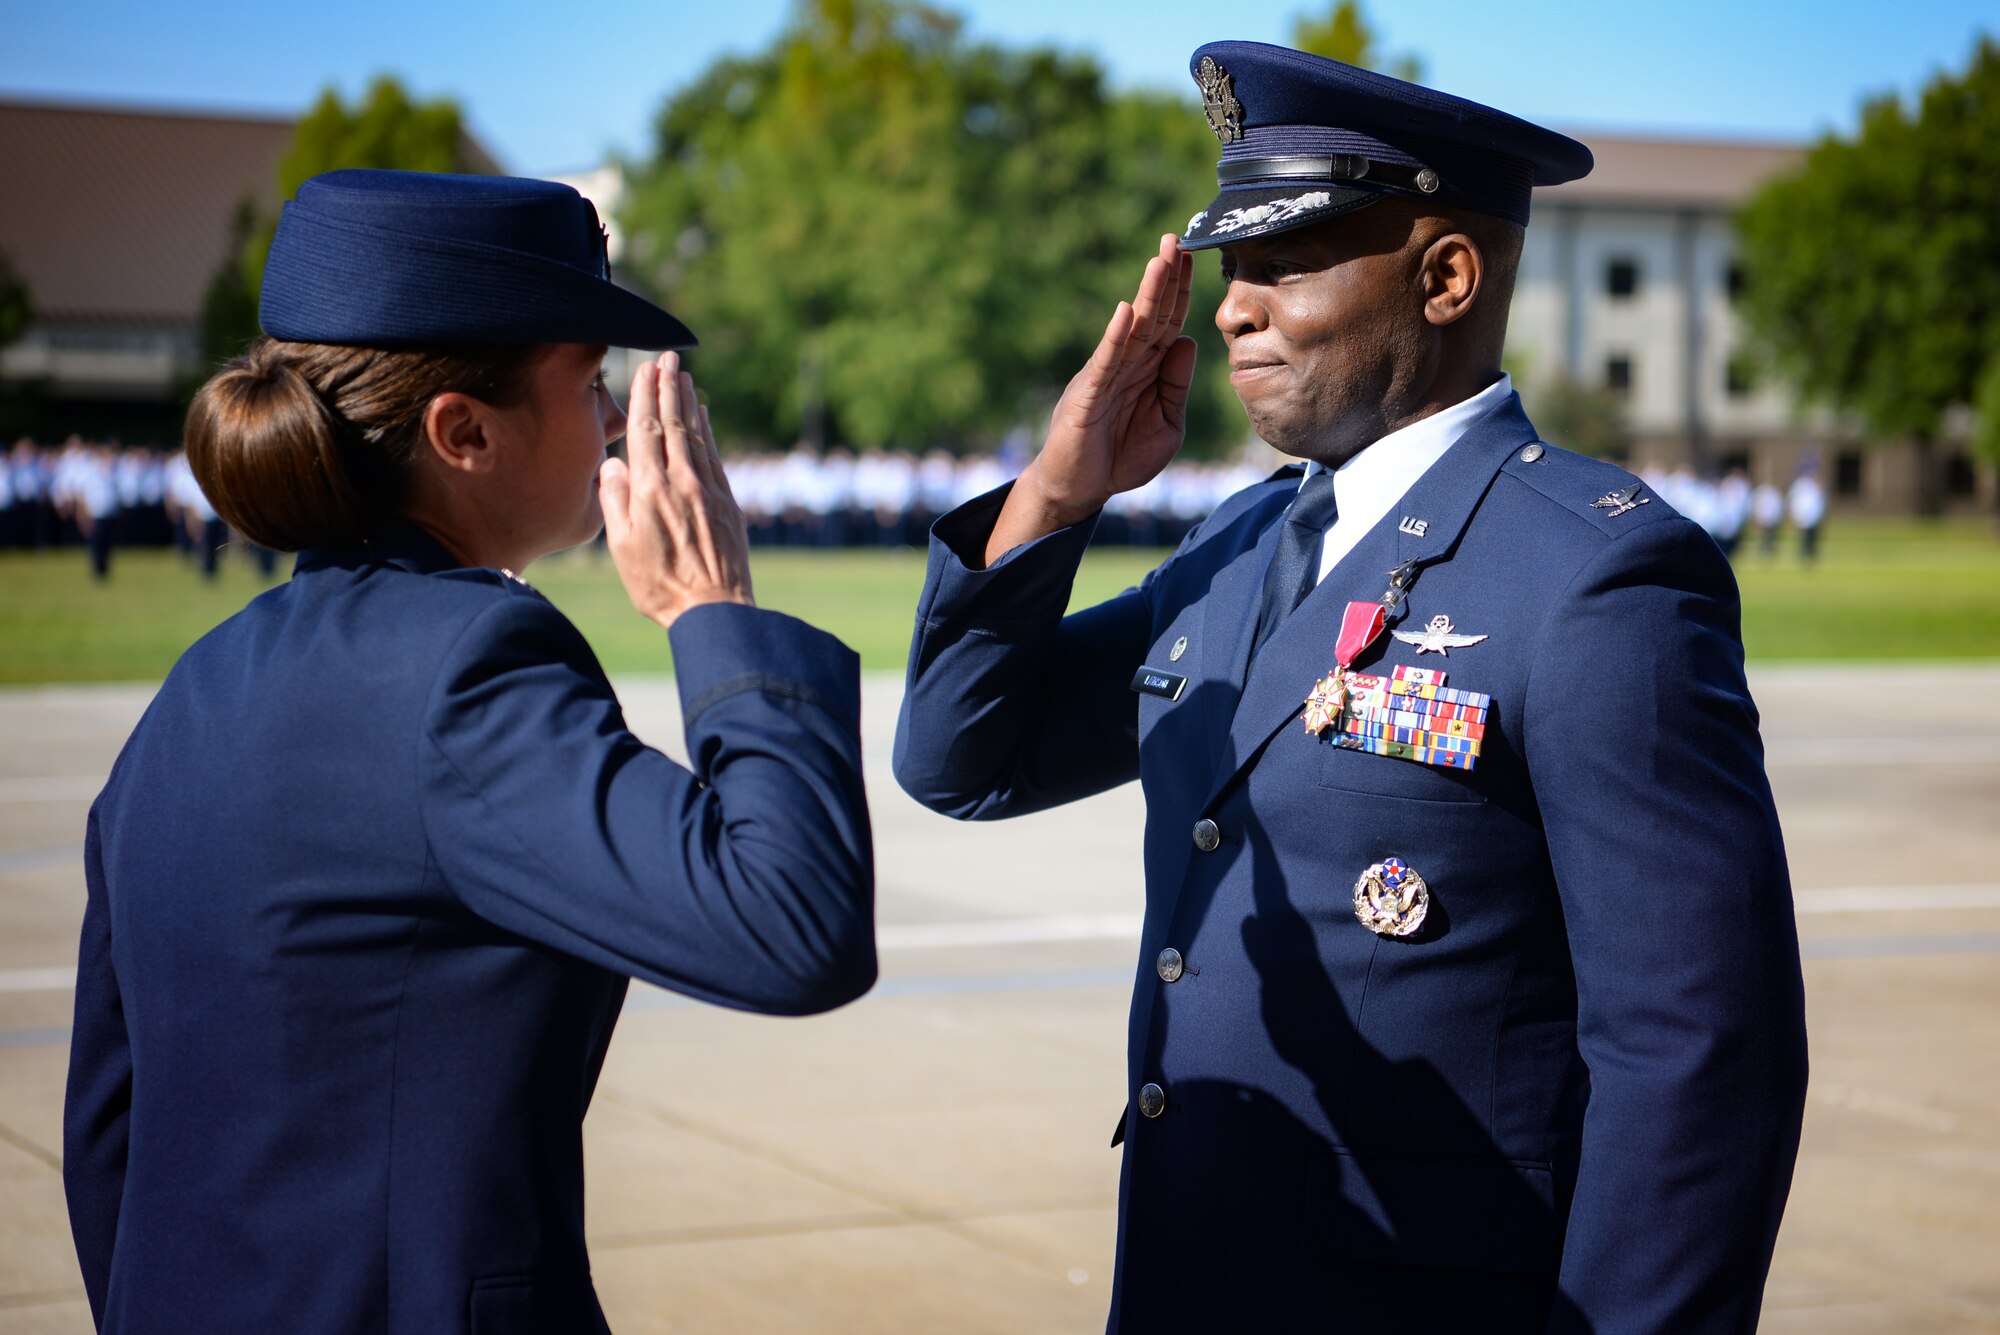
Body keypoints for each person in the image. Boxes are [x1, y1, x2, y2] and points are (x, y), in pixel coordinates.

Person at [894, 42, 1807, 1333]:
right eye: (1228, 270)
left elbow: (1699, 1057)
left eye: (1284, 264)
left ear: (1445, 277)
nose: (1230, 310)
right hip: (1188, 1269)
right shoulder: (1234, 545)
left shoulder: (1595, 574)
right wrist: (1058, 493)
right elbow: (967, 761)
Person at [64, 170, 876, 1334]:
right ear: (463, 432)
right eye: (586, 383)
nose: (608, 422)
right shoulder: (467, 664)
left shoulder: (198, 686)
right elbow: (790, 927)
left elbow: (109, 1132)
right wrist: (712, 609)